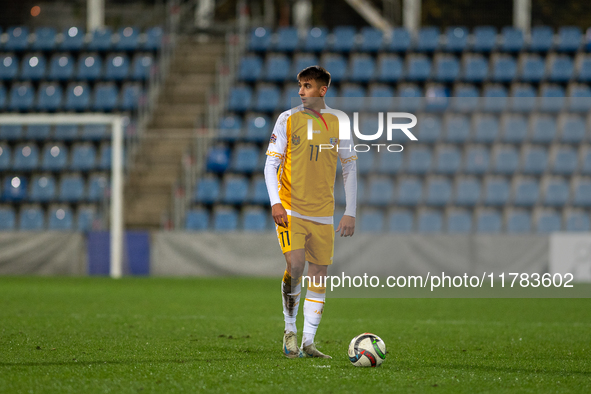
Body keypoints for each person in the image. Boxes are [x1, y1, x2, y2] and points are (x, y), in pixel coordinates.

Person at [264, 66, 358, 359]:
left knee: (318, 275)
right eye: (300, 86)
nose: (301, 91)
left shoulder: (339, 121)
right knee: (295, 265)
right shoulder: (287, 119)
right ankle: (289, 330)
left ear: (322, 90)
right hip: (291, 207)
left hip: (323, 213)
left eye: (307, 86)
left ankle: (308, 341)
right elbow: (270, 165)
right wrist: (275, 202)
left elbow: (350, 166)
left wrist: (350, 210)